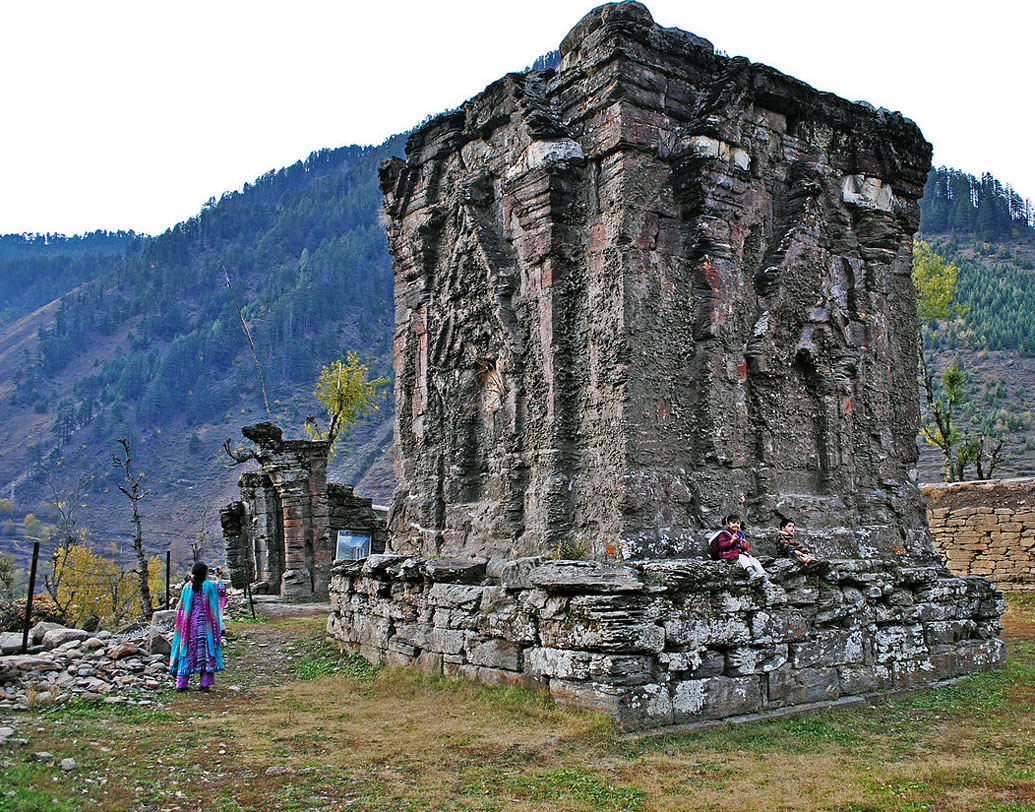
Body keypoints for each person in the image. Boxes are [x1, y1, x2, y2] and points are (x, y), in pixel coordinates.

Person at [169, 561, 224, 692]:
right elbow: (221, 591)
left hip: (189, 626)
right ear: (205, 573)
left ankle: (181, 684)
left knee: (187, 651)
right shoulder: (208, 586)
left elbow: (182, 608)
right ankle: (204, 684)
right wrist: (219, 577)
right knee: (205, 652)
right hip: (206, 627)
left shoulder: (187, 587)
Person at [711, 514, 769, 585]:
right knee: (743, 558)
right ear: (728, 524)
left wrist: (744, 545)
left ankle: (765, 580)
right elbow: (721, 546)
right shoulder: (723, 534)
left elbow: (744, 549)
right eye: (733, 523)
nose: (736, 525)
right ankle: (751, 573)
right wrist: (731, 541)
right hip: (728, 555)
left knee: (754, 560)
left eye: (738, 523)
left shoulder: (740, 534)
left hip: (738, 554)